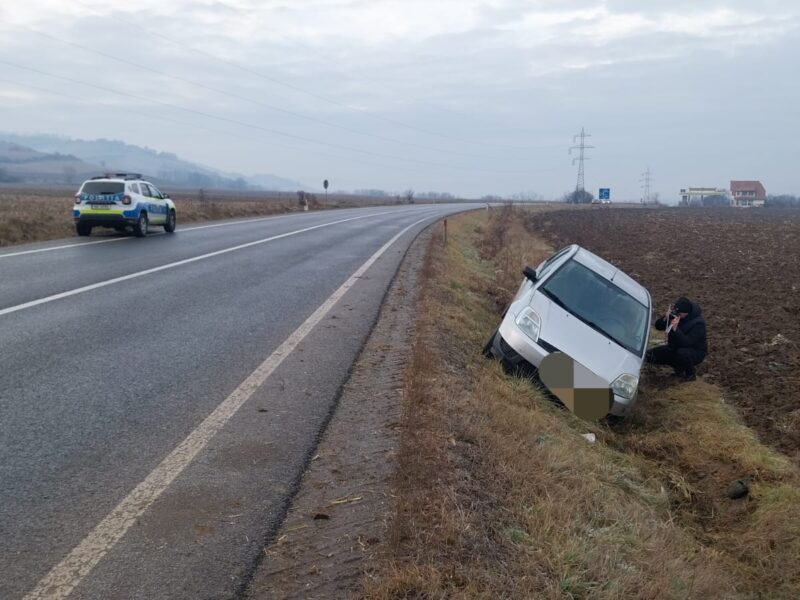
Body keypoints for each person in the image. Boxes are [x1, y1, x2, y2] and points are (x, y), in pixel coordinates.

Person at [645, 296, 707, 381]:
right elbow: (658, 327)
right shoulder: (676, 314)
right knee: (649, 356)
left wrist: (675, 329)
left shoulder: (698, 324)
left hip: (694, 352)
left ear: (686, 313)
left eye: (680, 314)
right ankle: (679, 369)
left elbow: (687, 342)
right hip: (674, 347)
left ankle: (690, 374)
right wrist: (665, 318)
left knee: (681, 354)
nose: (677, 315)